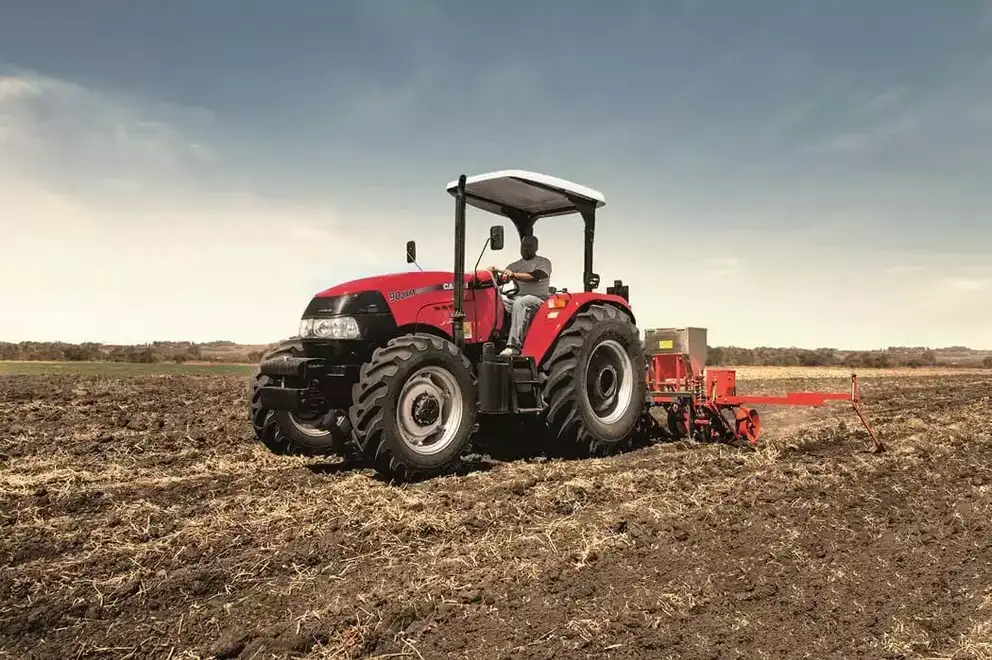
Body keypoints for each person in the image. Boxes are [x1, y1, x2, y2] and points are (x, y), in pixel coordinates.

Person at [489, 234, 552, 356]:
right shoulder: (515, 265)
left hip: (538, 299)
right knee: (496, 301)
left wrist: (513, 275)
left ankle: (514, 346)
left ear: (536, 247)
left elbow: (536, 276)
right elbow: (502, 279)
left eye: (529, 246)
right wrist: (494, 274)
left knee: (521, 302)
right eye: (523, 246)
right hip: (517, 298)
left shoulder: (543, 262)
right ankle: (493, 340)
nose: (525, 249)